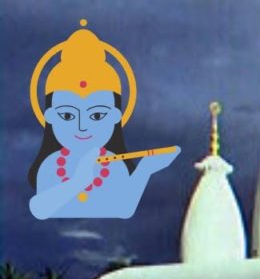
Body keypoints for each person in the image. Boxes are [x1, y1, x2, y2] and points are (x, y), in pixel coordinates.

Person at [27, 20, 178, 219]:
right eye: (68, 116)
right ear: (51, 117)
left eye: (97, 116)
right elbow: (40, 209)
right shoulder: (51, 166)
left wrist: (144, 169)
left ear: (115, 116)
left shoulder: (114, 167)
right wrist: (77, 182)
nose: (82, 127)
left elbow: (124, 209)